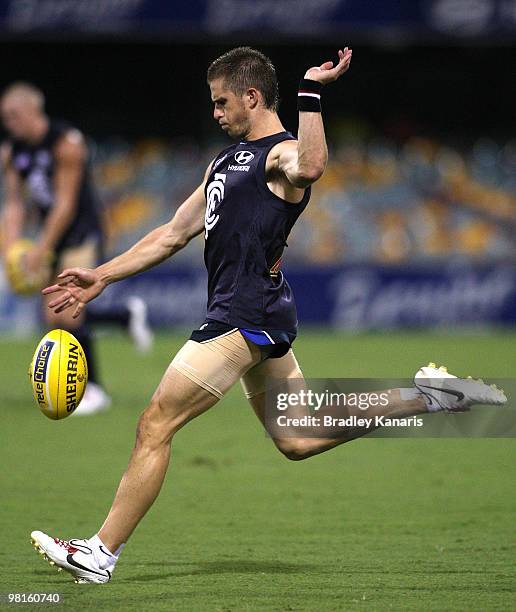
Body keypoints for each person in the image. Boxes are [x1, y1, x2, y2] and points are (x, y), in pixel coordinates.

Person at [29, 47, 505, 583]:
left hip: (241, 315)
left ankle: (100, 553)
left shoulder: (279, 156)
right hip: (260, 312)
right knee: (299, 437)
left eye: (221, 101)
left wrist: (310, 89)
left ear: (251, 97)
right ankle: (430, 395)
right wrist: (102, 276)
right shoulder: (224, 162)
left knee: (154, 423)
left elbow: (313, 165)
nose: (215, 112)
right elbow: (172, 233)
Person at [0, 82, 153, 415]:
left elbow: (65, 204)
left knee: (67, 310)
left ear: (31, 110)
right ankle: (124, 316)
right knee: (51, 315)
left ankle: (93, 389)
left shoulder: (66, 143)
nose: (8, 123)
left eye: (12, 116)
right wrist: (11, 249)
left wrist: (42, 248)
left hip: (82, 233)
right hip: (53, 236)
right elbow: (14, 205)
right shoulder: (12, 152)